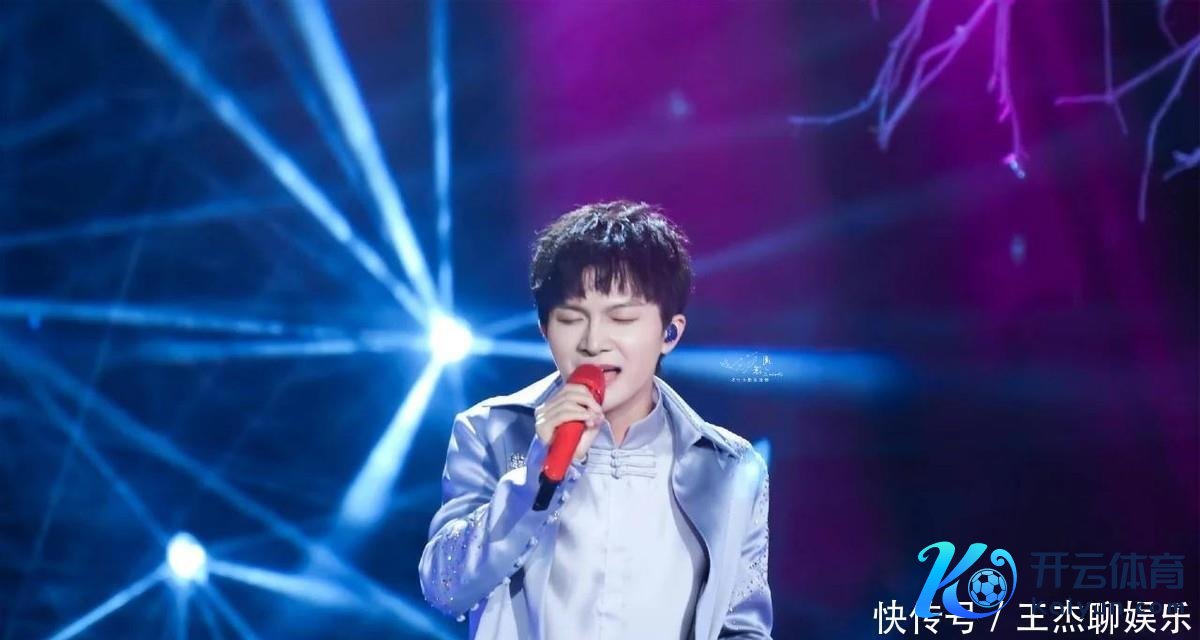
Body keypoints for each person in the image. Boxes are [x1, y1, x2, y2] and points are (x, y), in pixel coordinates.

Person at [418, 201, 772, 639]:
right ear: (545, 329)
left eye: (621, 318)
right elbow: (445, 587)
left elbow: (743, 628)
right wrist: (536, 479)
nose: (593, 341)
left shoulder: (729, 466)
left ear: (670, 333)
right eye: (570, 318)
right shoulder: (491, 431)